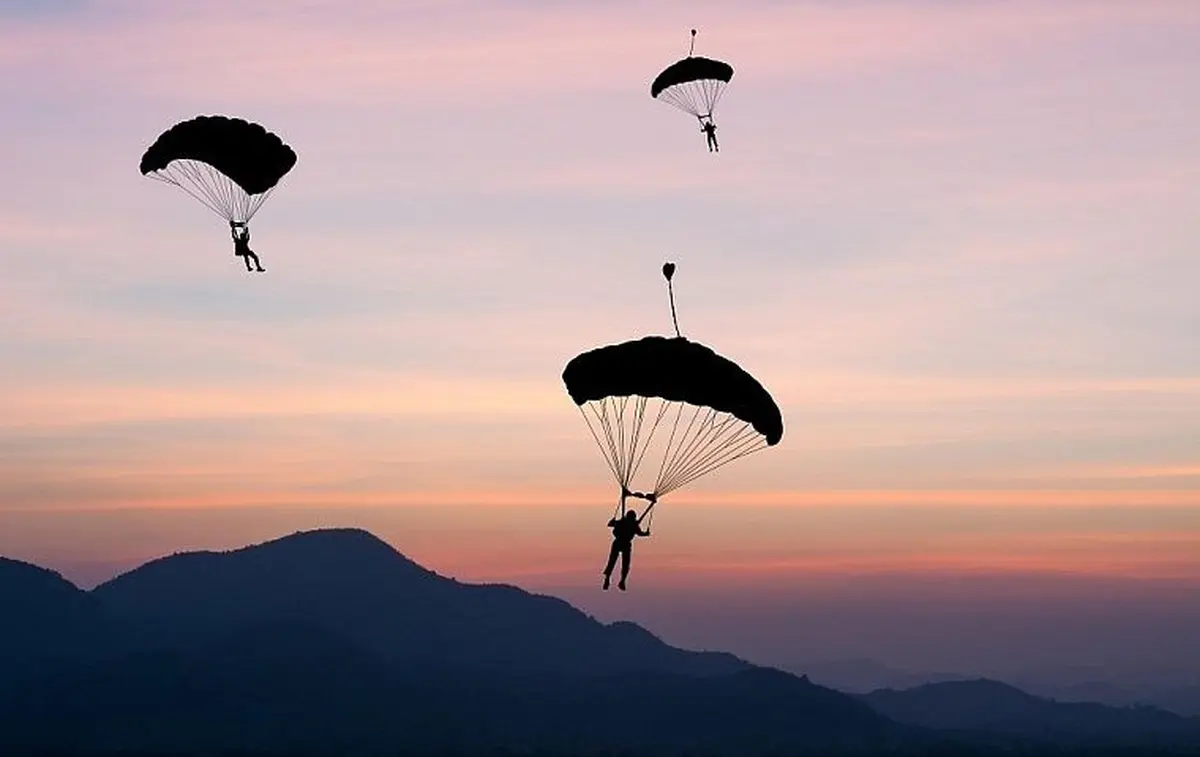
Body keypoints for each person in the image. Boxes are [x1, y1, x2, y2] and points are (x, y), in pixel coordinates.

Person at [602, 507, 650, 591]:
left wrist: (645, 533)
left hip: (623, 544)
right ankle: (612, 579)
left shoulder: (629, 523)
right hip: (620, 543)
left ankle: (619, 580)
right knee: (616, 562)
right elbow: (610, 524)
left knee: (620, 563)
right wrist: (645, 533)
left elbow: (639, 533)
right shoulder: (625, 523)